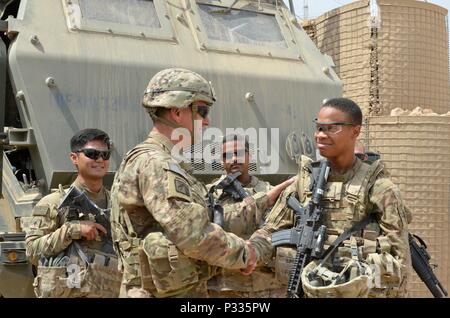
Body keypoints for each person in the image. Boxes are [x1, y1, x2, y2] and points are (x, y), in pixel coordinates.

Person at [110, 68, 294, 298]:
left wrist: (263, 199)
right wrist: (245, 254)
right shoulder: (156, 163)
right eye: (202, 110)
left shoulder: (152, 159)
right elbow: (191, 233)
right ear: (177, 112)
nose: (207, 121)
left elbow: (205, 215)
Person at [250, 97, 412, 298]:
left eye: (331, 128)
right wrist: (251, 252)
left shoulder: (380, 189)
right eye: (318, 128)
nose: (320, 135)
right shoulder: (304, 182)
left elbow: (400, 260)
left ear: (355, 131)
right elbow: (270, 229)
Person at [24, 128, 121, 298]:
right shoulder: (54, 203)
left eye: (105, 155)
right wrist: (71, 230)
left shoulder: (119, 203)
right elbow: (32, 252)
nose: (100, 159)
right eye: (92, 154)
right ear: (74, 158)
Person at [207, 134, 286, 297]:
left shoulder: (270, 190)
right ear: (221, 161)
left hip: (267, 288)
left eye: (240, 153)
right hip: (223, 289)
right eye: (227, 155)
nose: (234, 159)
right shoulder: (209, 195)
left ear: (250, 155)